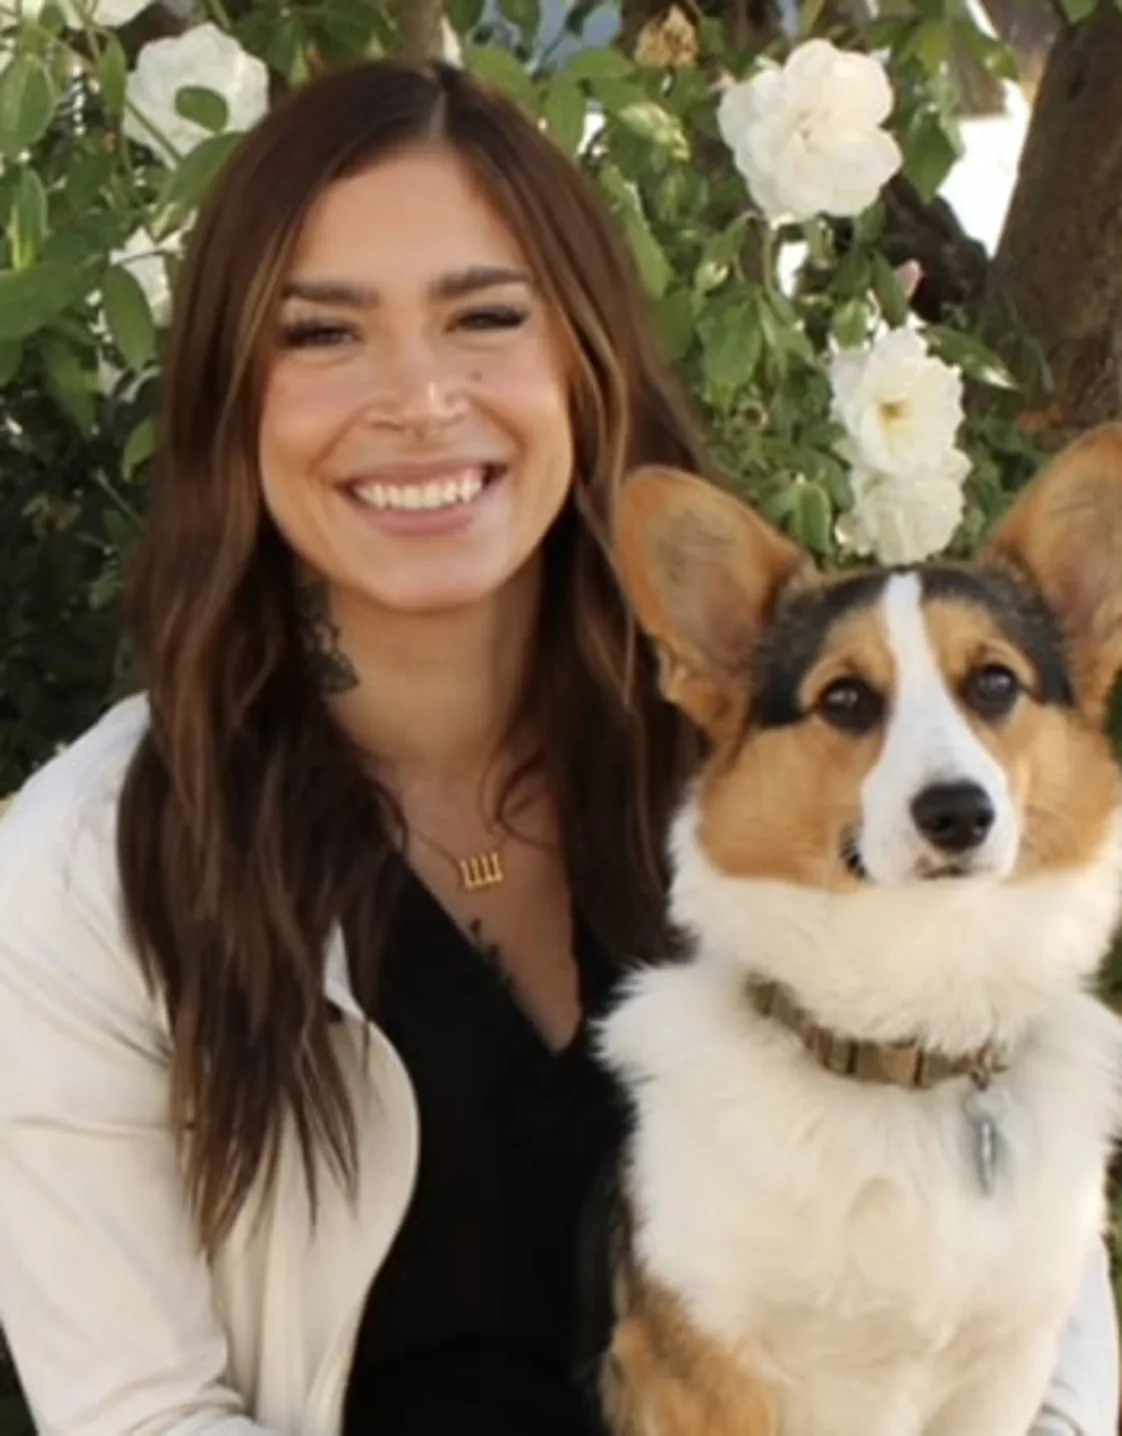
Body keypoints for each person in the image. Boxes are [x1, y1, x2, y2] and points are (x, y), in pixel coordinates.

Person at [0, 57, 1114, 1436]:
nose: (417, 397)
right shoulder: (79, 876)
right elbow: (142, 1413)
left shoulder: (782, 760)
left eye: (483, 316)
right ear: (232, 395)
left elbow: (1028, 1284)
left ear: (582, 359)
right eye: (322, 334)